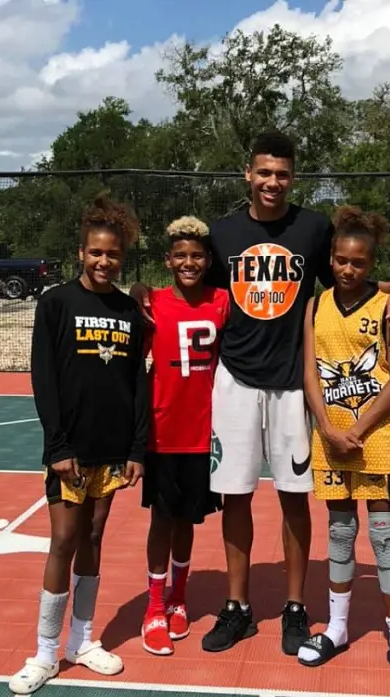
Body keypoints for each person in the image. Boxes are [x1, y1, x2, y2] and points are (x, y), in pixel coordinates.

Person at [135, 130, 390, 655]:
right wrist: (142, 293)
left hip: (293, 384)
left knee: (293, 499)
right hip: (235, 380)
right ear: (247, 174)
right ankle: (237, 607)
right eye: (263, 172)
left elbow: (350, 271)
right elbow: (192, 282)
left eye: (282, 174)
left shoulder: (311, 228)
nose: (272, 182)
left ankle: (293, 607)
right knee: (235, 496)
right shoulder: (222, 233)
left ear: (293, 178)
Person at [10, 195, 149, 694]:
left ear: (122, 257)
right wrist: (58, 445)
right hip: (70, 448)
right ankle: (46, 652)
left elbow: (138, 382)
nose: (104, 261)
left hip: (112, 448)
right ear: (80, 253)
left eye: (112, 254)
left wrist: (137, 449)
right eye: (95, 253)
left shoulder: (131, 311)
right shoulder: (57, 303)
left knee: (93, 537)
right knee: (64, 540)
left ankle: (82, 640)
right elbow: (44, 379)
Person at [295, 205, 390, 685]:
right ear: (330, 258)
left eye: (360, 263)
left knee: (384, 533)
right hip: (330, 437)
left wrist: (360, 427)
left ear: (372, 265)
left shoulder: (386, 306)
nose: (349, 269)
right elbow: (310, 372)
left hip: (375, 437)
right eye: (342, 260)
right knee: (341, 532)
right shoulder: (315, 305)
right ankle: (338, 627)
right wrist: (328, 427)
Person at [140, 216, 229, 656]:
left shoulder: (222, 301)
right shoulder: (150, 303)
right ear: (167, 260)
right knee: (161, 519)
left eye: (196, 256)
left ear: (207, 260)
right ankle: (154, 607)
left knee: (188, 521)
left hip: (202, 435)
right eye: (180, 256)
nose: (188, 262)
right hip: (161, 432)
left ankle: (178, 598)